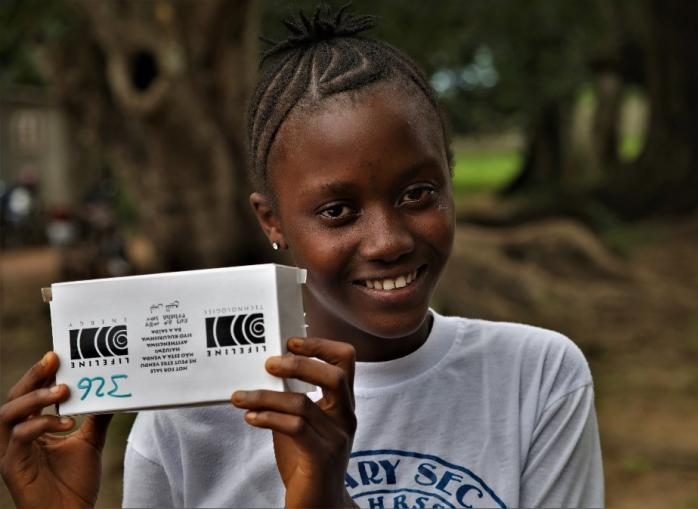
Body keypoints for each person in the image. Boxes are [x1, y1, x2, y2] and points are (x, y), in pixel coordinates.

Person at [0, 5, 604, 508]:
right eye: (338, 211)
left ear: (451, 179)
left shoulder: (535, 377)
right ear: (272, 221)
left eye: (418, 193)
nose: (389, 239)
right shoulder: (190, 417)